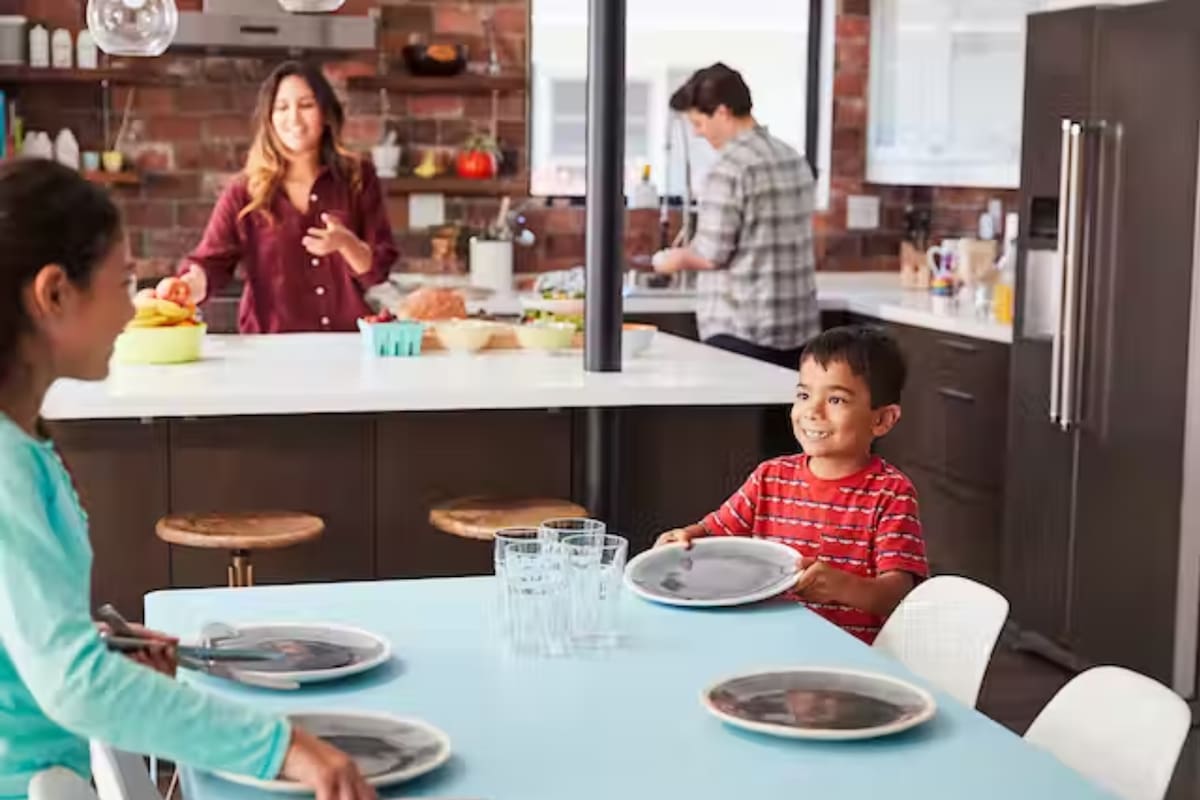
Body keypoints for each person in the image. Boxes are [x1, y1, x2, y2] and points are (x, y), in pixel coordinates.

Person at [0, 158, 374, 800]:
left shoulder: (24, 440)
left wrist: (95, 641)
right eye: (122, 284)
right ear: (54, 293)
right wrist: (285, 747)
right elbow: (70, 683)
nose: (131, 310)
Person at [655, 326, 928, 643]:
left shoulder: (891, 493)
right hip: (766, 643)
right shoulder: (770, 477)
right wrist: (685, 538)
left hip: (846, 662)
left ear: (882, 420)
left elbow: (899, 595)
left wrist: (843, 586)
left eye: (836, 399)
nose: (812, 411)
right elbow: (713, 533)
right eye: (803, 395)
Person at [181, 60, 398, 333]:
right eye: (282, 108)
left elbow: (377, 271)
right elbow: (210, 263)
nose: (293, 118)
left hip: (347, 345)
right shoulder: (243, 191)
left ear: (326, 113)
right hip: (270, 350)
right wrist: (190, 284)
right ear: (269, 119)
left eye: (306, 105)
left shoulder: (358, 178)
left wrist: (347, 243)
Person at [653, 62, 819, 370]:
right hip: (798, 335)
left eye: (699, 123)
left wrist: (670, 260)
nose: (698, 134)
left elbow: (711, 255)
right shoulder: (793, 158)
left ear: (722, 111)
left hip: (742, 333)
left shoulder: (728, 168)